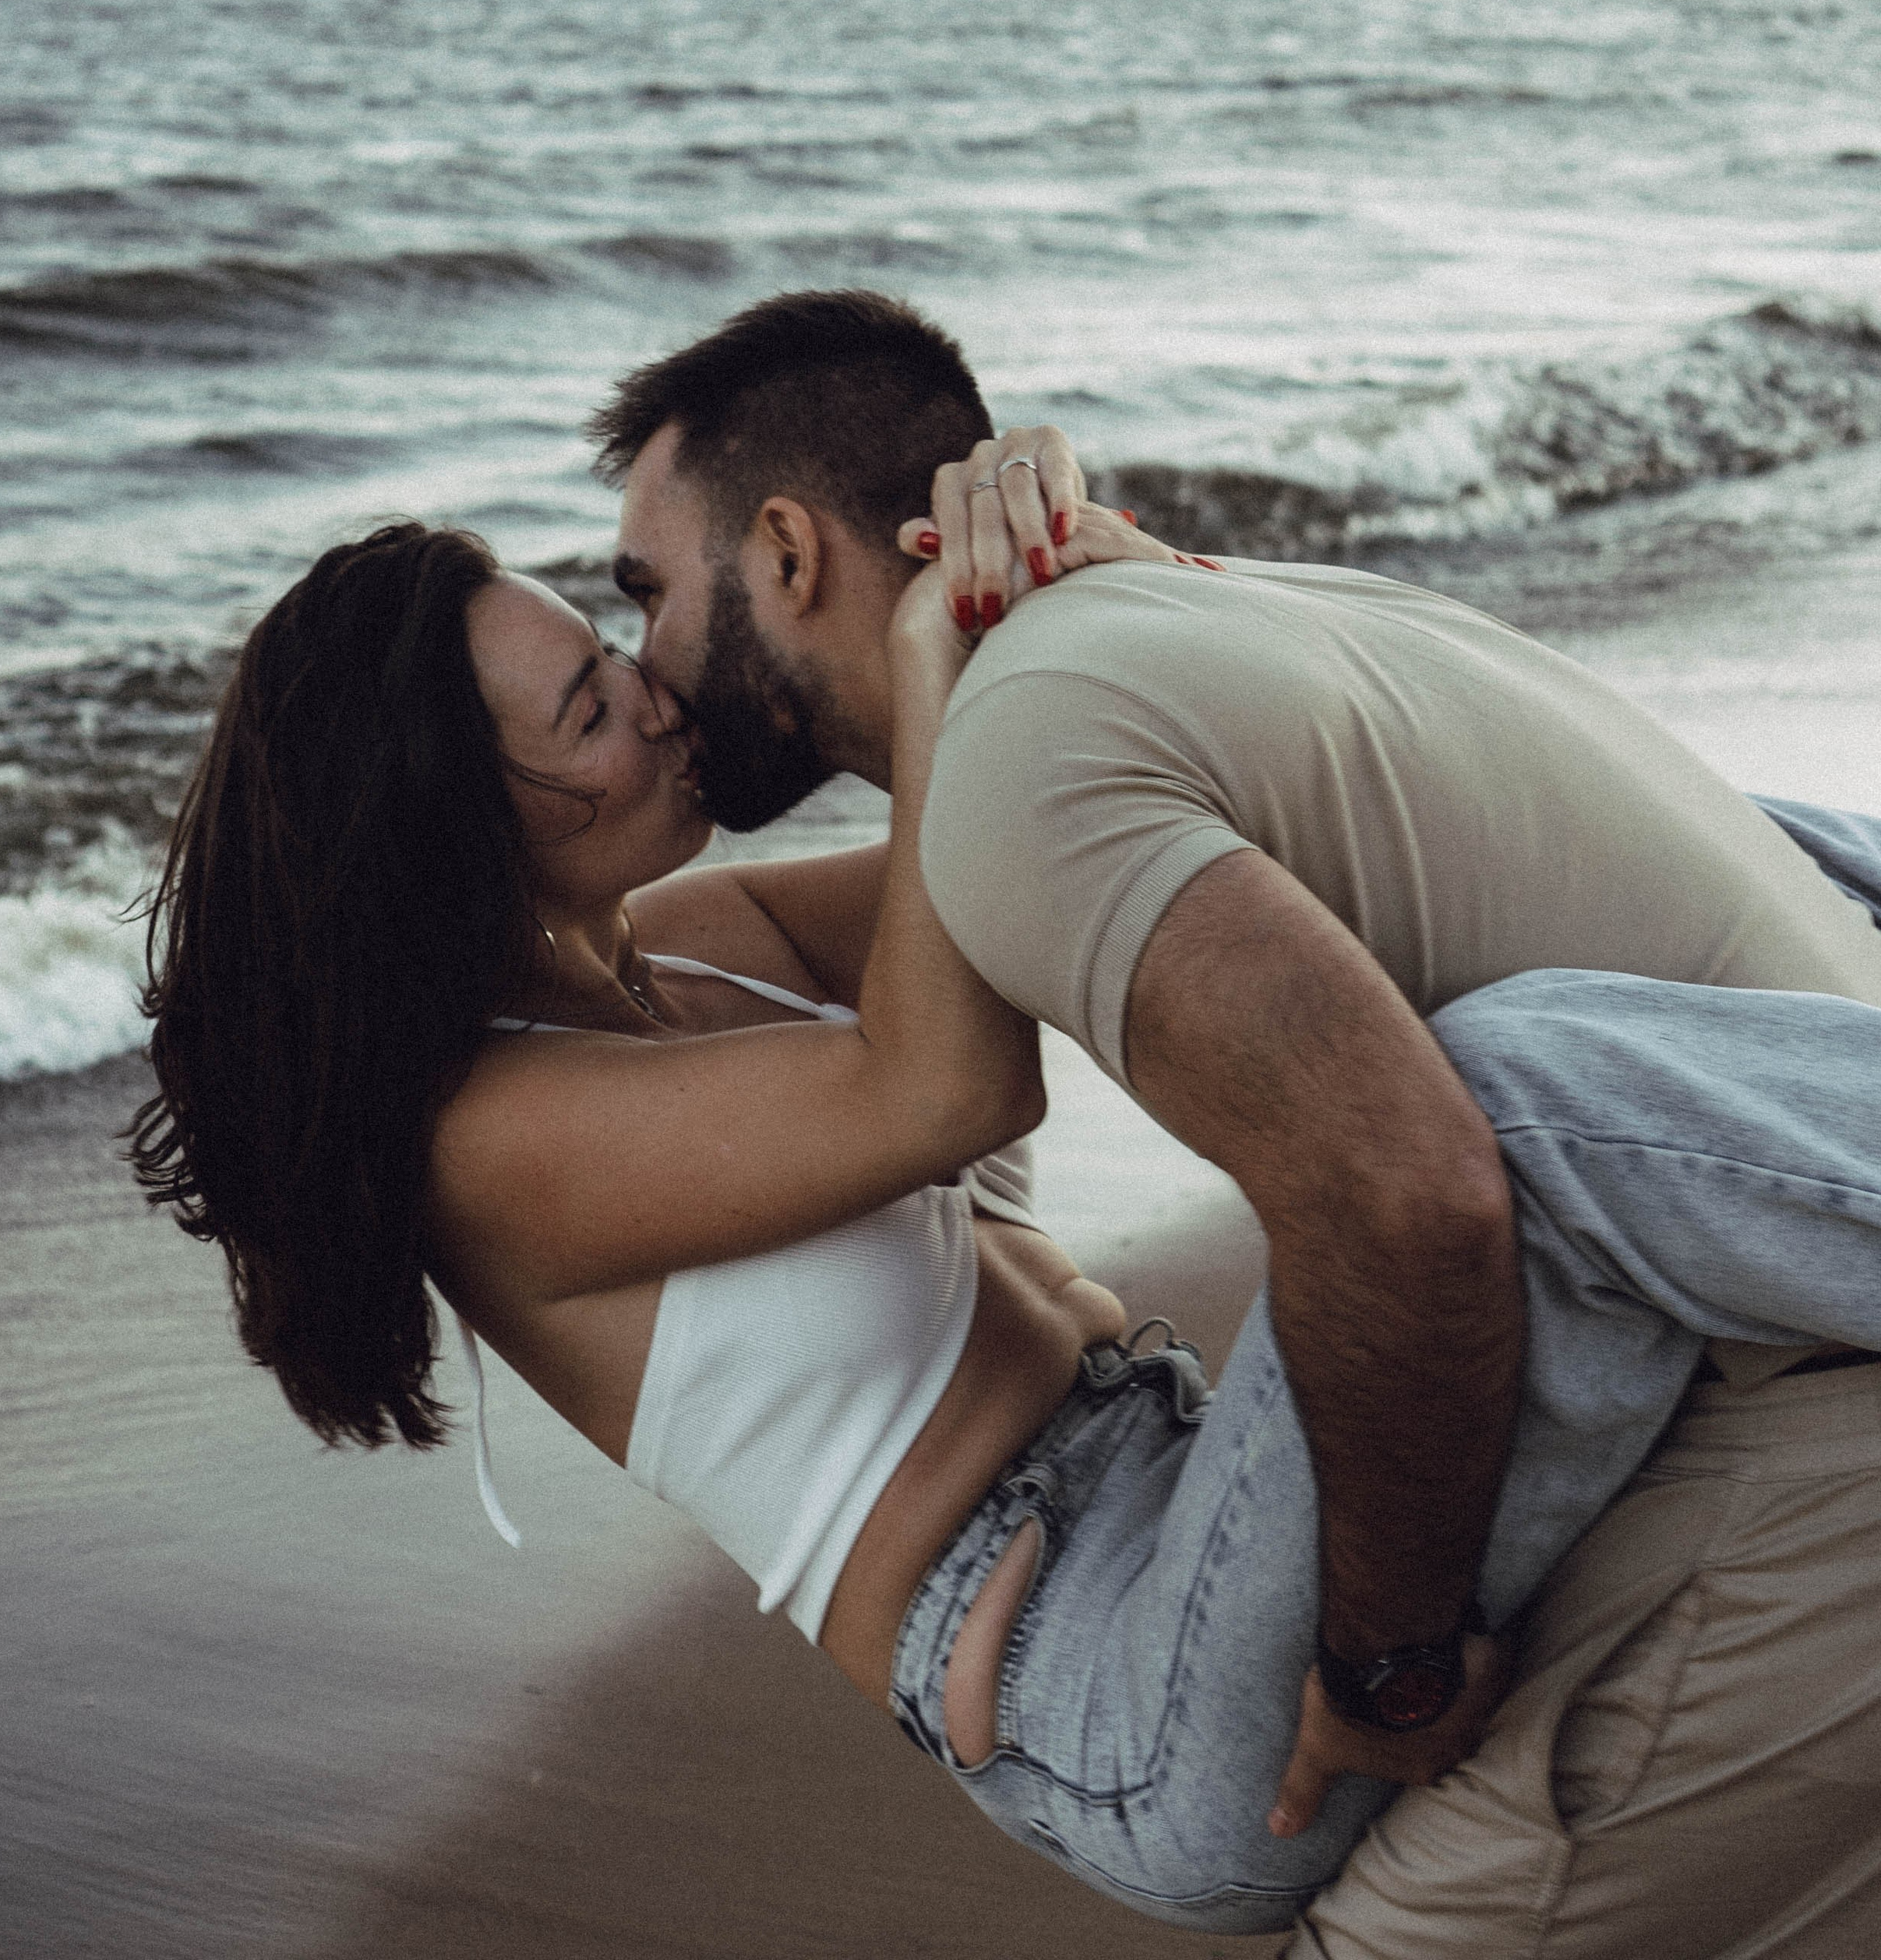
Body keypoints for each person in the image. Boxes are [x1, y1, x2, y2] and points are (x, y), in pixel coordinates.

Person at [132, 502, 1881, 1941]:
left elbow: (1094, 830)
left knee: (1750, 851)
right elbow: (947, 1088)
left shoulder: (691, 946)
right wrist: (917, 648)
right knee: (1492, 1103)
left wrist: (1065, 567)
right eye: (589, 712)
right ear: (456, 834)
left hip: (1200, 1493)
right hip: (1116, 1687)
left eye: (607, 658)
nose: (653, 697)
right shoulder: (489, 1143)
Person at [595, 285, 1881, 1948]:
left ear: (781, 552)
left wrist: (1385, 1666)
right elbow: (762, 952)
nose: (641, 670)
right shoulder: (1231, 606)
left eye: (643, 594)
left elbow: (1406, 1195)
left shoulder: (1025, 764)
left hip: (1809, 1375)